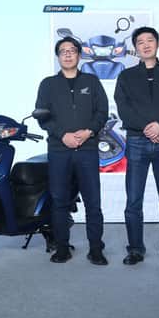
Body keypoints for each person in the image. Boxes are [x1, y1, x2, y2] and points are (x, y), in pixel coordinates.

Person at [114, 26, 159, 269]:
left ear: (157, 44)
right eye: (140, 42)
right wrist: (147, 128)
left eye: (150, 40)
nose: (145, 45)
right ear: (135, 48)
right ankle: (135, 249)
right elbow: (123, 107)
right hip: (136, 142)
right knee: (133, 201)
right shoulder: (126, 77)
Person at [35, 36, 109, 265]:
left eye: (72, 50)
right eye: (63, 51)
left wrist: (89, 132)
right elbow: (42, 115)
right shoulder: (48, 84)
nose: (67, 54)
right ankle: (62, 248)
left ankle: (96, 249)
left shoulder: (91, 81)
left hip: (87, 150)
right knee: (59, 201)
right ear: (58, 57)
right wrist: (62, 135)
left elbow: (102, 112)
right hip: (59, 150)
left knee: (93, 202)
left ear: (79, 55)